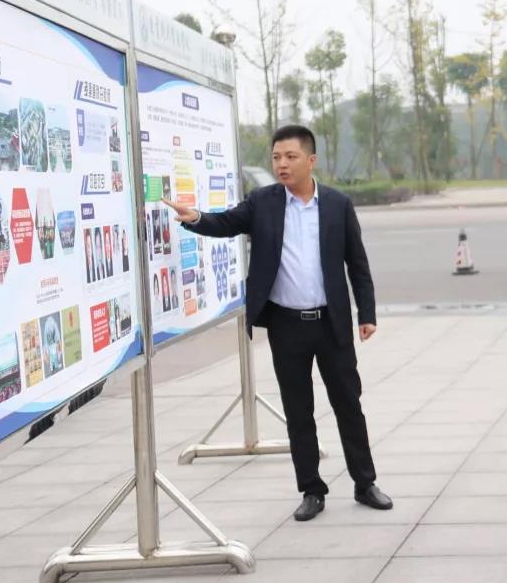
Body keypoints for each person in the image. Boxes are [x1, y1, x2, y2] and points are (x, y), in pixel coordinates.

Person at [164, 124, 391, 522]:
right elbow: (226, 223)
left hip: (331, 323)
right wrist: (195, 217)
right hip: (287, 326)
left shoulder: (337, 205)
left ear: (310, 160)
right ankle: (311, 490)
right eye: (276, 157)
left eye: (290, 157)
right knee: (298, 411)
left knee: (348, 405)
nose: (282, 164)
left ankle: (364, 482)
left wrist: (366, 314)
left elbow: (357, 263)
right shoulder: (263, 202)